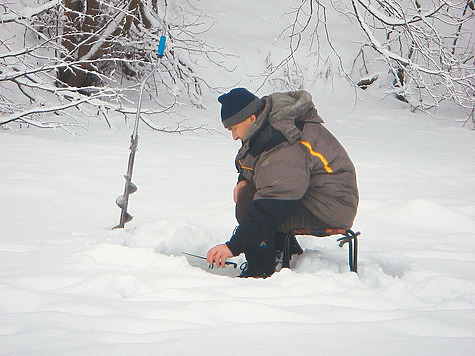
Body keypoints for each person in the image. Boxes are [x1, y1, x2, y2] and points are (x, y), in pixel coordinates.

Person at [206, 88, 359, 278]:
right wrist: (244, 179)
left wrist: (233, 247)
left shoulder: (283, 140)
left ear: (251, 118)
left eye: (234, 129)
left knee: (252, 203)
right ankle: (285, 252)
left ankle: (260, 270)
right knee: (251, 193)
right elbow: (257, 163)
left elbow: (272, 205)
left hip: (332, 206)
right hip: (316, 195)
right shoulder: (269, 125)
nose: (234, 137)